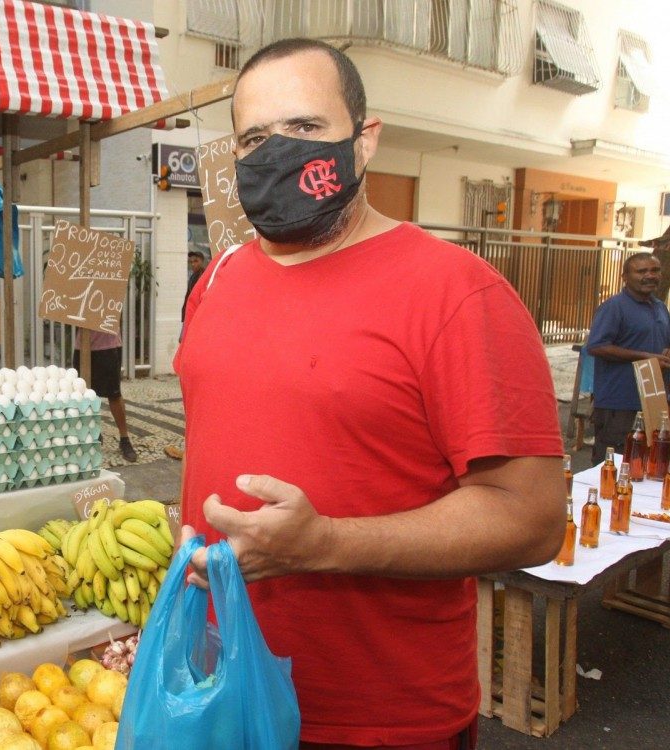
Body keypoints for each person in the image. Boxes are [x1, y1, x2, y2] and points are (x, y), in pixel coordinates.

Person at [174, 39, 564, 748]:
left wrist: (324, 544)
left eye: (304, 128)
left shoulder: (457, 294)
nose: (276, 152)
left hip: (380, 720)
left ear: (365, 140)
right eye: (254, 138)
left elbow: (533, 519)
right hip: (220, 693)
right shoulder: (218, 280)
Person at [585, 253, 670, 464]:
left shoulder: (660, 307)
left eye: (654, 270)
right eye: (641, 271)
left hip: (652, 402)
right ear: (624, 277)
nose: (649, 275)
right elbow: (597, 346)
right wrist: (646, 357)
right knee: (614, 465)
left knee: (646, 466)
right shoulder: (614, 307)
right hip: (619, 403)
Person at [165, 250, 206, 461]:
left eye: (196, 260)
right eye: (191, 261)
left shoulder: (206, 274)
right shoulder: (194, 276)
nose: (193, 263)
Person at [75, 330, 138, 463]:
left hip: (108, 346)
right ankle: (93, 433)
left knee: (114, 394)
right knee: (84, 394)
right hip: (82, 346)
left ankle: (124, 439)